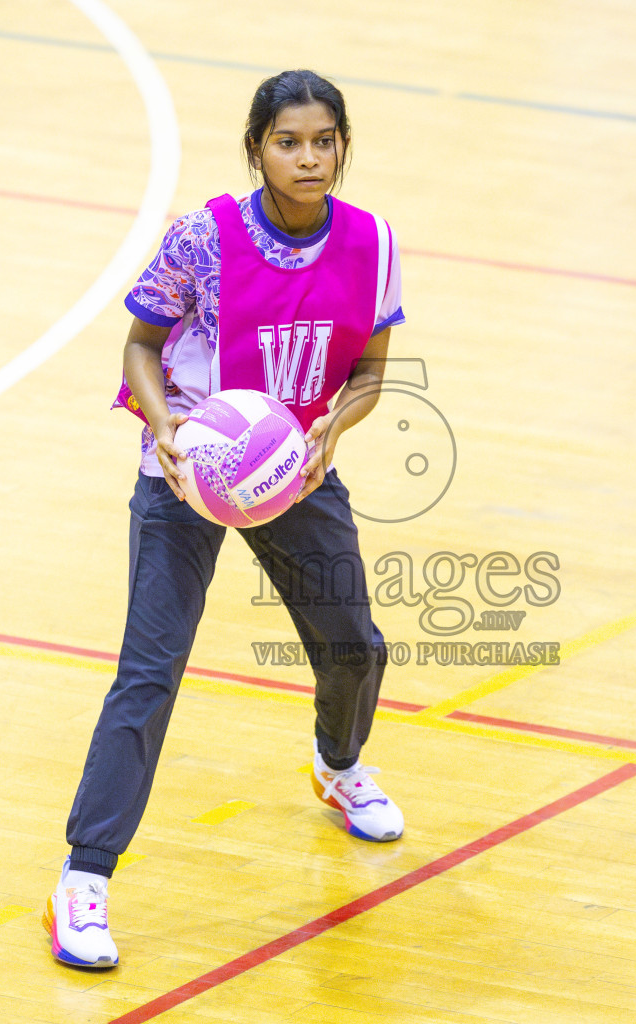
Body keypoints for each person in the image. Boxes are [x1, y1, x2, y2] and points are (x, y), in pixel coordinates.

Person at [43, 69, 407, 969]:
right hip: (190, 474)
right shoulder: (204, 236)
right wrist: (165, 431)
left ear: (344, 147)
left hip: (292, 464)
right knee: (150, 672)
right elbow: (139, 341)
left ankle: (336, 764)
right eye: (289, 142)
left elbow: (369, 368)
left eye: (325, 141)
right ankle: (84, 879)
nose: (309, 157)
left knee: (356, 648)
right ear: (257, 149)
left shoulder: (373, 243)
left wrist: (335, 423)